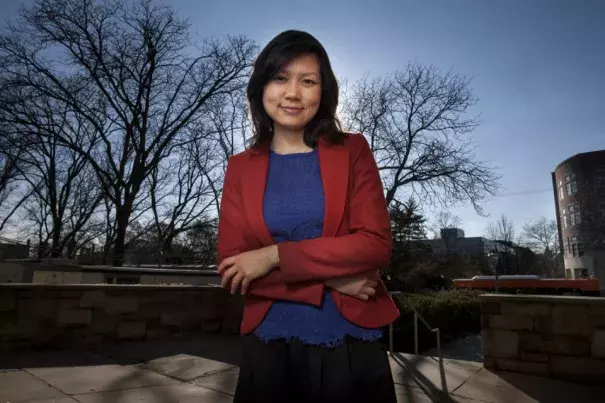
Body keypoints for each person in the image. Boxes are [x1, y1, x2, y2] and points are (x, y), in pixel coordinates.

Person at [217, 29, 400, 403]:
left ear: (324, 90)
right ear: (261, 88)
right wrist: (330, 282)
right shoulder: (239, 168)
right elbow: (235, 269)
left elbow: (374, 246)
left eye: (308, 81)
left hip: (350, 344)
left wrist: (274, 256)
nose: (293, 93)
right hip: (268, 346)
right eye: (280, 78)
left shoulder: (353, 150)